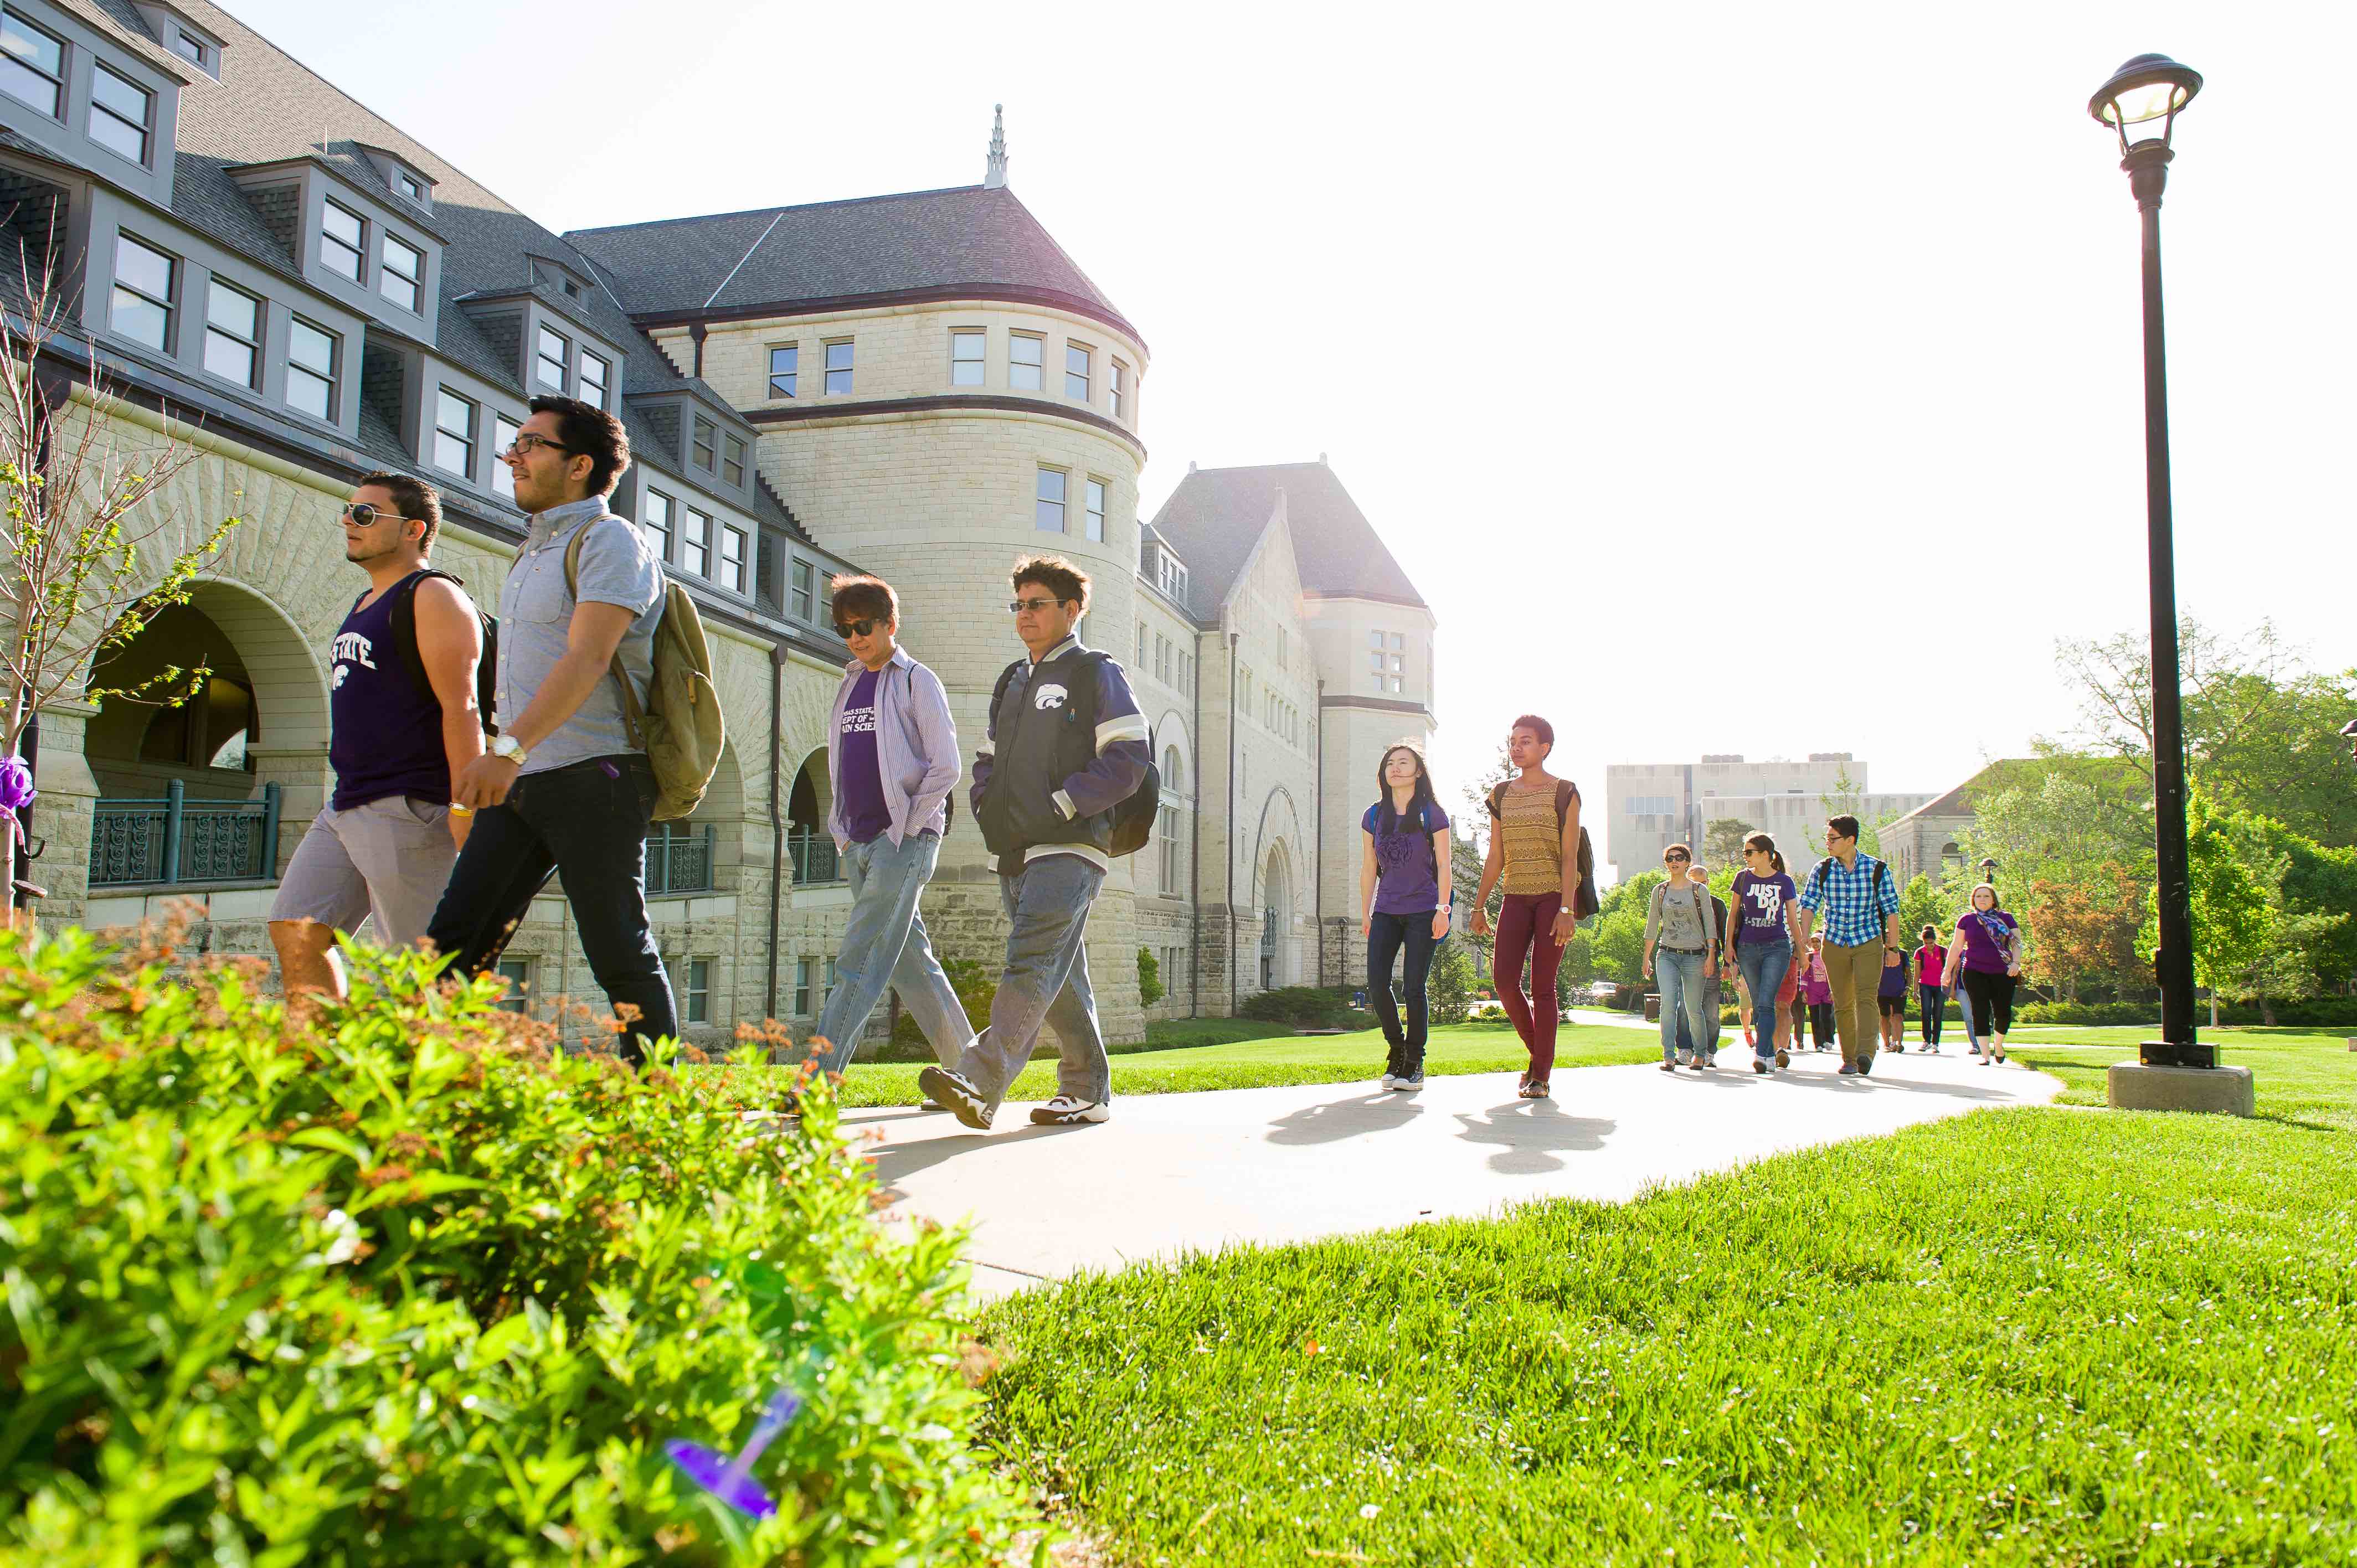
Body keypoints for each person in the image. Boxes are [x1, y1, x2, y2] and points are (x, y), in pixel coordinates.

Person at [425, 396, 677, 1065]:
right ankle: (433, 1096)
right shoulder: (533, 552)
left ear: (579, 465)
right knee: (454, 942)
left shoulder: (610, 541)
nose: (513, 455)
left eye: (532, 444)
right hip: (526, 778)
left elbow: (588, 657)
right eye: (516, 443)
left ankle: (657, 1110)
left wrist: (506, 748)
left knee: (617, 949)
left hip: (596, 775)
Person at [921, 555, 1150, 1130]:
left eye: (1036, 604)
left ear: (1071, 611)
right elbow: (987, 760)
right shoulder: (1014, 680)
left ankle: (978, 1079)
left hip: (1072, 843)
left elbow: (1129, 756)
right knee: (1058, 972)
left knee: (1029, 959)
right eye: (1018, 604)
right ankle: (1086, 1090)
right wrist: (986, 808)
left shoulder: (1096, 672)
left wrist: (1066, 803)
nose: (1023, 614)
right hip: (1015, 847)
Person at [270, 473, 483, 1002]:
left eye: (366, 514)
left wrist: (464, 811)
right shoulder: (367, 601)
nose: (349, 521)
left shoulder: (433, 596)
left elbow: (463, 710)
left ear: (414, 530)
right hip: (348, 803)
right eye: (348, 511)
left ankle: (442, 1078)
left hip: (410, 806)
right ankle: (323, 1069)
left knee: (420, 969)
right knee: (297, 928)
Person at [803, 574, 976, 1087]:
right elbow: (843, 762)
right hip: (858, 840)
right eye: (844, 629)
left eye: (863, 627)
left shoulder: (916, 679)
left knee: (858, 961)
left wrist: (909, 826)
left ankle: (816, 1082)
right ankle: (973, 1074)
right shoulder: (851, 681)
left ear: (890, 624)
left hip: (901, 841)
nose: (854, 638)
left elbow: (946, 766)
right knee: (909, 963)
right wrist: (843, 830)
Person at [1470, 715, 1582, 1100]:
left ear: (1545, 748)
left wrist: (1567, 909)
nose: (1517, 747)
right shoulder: (1501, 794)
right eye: (1513, 741)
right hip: (1515, 897)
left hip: (1553, 898)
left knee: (1543, 988)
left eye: (1527, 741)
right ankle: (1539, 1058)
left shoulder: (1564, 791)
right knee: (1504, 982)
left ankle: (1540, 1074)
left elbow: (1570, 857)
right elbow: (1495, 855)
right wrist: (1479, 904)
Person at [1361, 742, 1452, 1092]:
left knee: (1414, 987)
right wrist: (1365, 911)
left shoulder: (1431, 813)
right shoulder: (1373, 816)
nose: (1396, 768)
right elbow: (1369, 867)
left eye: (1404, 763)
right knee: (1377, 984)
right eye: (1390, 763)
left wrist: (1443, 909)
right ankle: (1396, 1049)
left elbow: (1444, 865)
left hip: (1424, 910)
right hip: (1386, 910)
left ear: (1417, 772)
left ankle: (1414, 1061)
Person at [1793, 814, 1903, 1077]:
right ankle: (1850, 1058)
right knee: (1842, 1002)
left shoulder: (1877, 869)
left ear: (1850, 840)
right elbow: (1809, 905)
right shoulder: (1823, 869)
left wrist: (1893, 948)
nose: (1828, 843)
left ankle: (1866, 1053)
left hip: (1868, 940)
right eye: (1827, 838)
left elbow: (1891, 911)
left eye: (1833, 838)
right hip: (1834, 942)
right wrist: (1803, 940)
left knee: (1866, 997)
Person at [1730, 832, 1803, 1075]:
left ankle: (1762, 1055)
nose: (1746, 857)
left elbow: (1793, 920)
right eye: (1744, 853)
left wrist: (1801, 952)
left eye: (1749, 853)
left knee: (1767, 1001)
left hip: (1777, 947)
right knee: (1760, 1004)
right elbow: (1734, 915)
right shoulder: (1742, 879)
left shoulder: (1784, 882)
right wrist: (1729, 945)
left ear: (1765, 855)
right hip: (1748, 947)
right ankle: (1769, 1054)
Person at [1643, 845, 1718, 1073]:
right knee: (1668, 1006)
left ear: (1687, 862)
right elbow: (1652, 924)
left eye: (1679, 858)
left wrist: (1711, 956)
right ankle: (1668, 1056)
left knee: (1693, 1008)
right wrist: (1646, 957)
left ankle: (1699, 1053)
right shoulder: (1660, 891)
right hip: (1667, 954)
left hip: (1695, 956)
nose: (1674, 861)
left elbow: (1710, 924)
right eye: (1669, 858)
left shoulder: (1698, 890)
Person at [1945, 884, 2025, 1065]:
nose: (1982, 899)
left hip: (2003, 972)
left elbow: (2017, 944)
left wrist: (2016, 963)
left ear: (1993, 899)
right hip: (1974, 971)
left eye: (1986, 896)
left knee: (2002, 1011)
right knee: (1979, 1011)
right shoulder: (1966, 920)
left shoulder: (2006, 918)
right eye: (1978, 896)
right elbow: (1956, 947)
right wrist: (1947, 971)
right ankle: (1985, 1055)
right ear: (1973, 900)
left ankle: (1998, 1045)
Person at [1915, 924, 1948, 1051]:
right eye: (1926, 943)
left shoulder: (1943, 951)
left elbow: (1948, 969)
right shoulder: (1919, 953)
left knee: (1938, 1014)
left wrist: (1949, 987)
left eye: (1931, 943)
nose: (1929, 946)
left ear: (1935, 940)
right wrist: (1915, 990)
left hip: (1940, 986)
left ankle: (1936, 1043)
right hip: (1925, 985)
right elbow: (1917, 973)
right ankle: (1926, 1041)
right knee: (1926, 1012)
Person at [1799, 938, 1835, 1052]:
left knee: (1826, 1017)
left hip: (1826, 991)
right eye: (1813, 942)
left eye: (1818, 942)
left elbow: (1833, 973)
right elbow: (1804, 974)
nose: (1815, 944)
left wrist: (1833, 990)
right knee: (1815, 1018)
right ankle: (1818, 1044)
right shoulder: (1809, 957)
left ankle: (1828, 1040)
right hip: (1812, 991)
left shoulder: (1828, 955)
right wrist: (1804, 991)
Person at [1878, 943, 1910, 1053]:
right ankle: (1887, 1044)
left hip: (1899, 990)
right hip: (1882, 990)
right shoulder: (1879, 953)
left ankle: (1899, 1043)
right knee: (1884, 1017)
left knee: (1898, 1016)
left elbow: (1908, 972)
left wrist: (1908, 987)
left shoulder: (1902, 954)